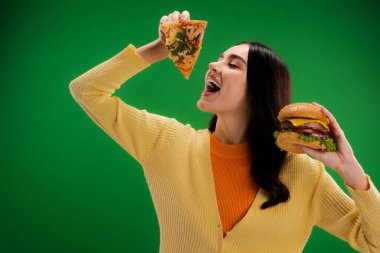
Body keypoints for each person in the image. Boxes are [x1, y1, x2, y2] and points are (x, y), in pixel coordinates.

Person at [69, 10, 380, 253]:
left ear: (260, 90)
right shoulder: (166, 142)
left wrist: (351, 171)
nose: (212, 66)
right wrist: (159, 48)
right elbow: (86, 91)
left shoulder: (303, 174)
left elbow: (374, 242)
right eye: (217, 60)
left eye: (233, 65)